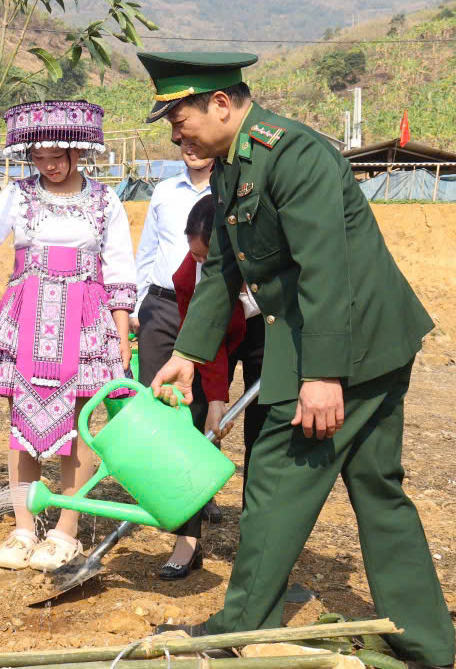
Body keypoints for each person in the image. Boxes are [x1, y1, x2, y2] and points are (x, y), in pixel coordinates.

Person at [140, 52, 454, 668]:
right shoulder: (235, 167)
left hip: (346, 349)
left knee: (275, 487)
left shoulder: (295, 155)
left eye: (179, 117)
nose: (175, 132)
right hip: (355, 343)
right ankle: (432, 644)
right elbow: (224, 267)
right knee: (377, 491)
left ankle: (236, 632)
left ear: (221, 105)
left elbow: (324, 271)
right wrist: (187, 353)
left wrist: (321, 378)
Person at [0, 100, 136, 571]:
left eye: (56, 155)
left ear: (77, 150)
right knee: (22, 425)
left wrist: (122, 335)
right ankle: (24, 527)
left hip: (84, 319)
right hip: (26, 317)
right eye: (38, 157)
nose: (47, 165)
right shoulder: (17, 195)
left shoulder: (106, 202)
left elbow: (121, 270)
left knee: (80, 427)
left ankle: (66, 530)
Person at [158, 195, 264, 580]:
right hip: (216, 338)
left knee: (264, 432)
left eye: (207, 257)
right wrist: (217, 397)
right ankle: (187, 541)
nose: (199, 263)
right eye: (195, 255)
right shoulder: (188, 277)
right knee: (195, 421)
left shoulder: (265, 260)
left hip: (266, 332)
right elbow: (206, 340)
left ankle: (258, 546)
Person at [131, 143, 214, 519]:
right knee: (154, 395)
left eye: (198, 143)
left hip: (205, 307)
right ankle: (160, 484)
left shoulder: (228, 190)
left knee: (197, 400)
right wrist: (135, 306)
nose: (191, 150)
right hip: (161, 304)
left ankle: (199, 489)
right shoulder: (164, 191)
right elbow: (147, 250)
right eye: (184, 144)